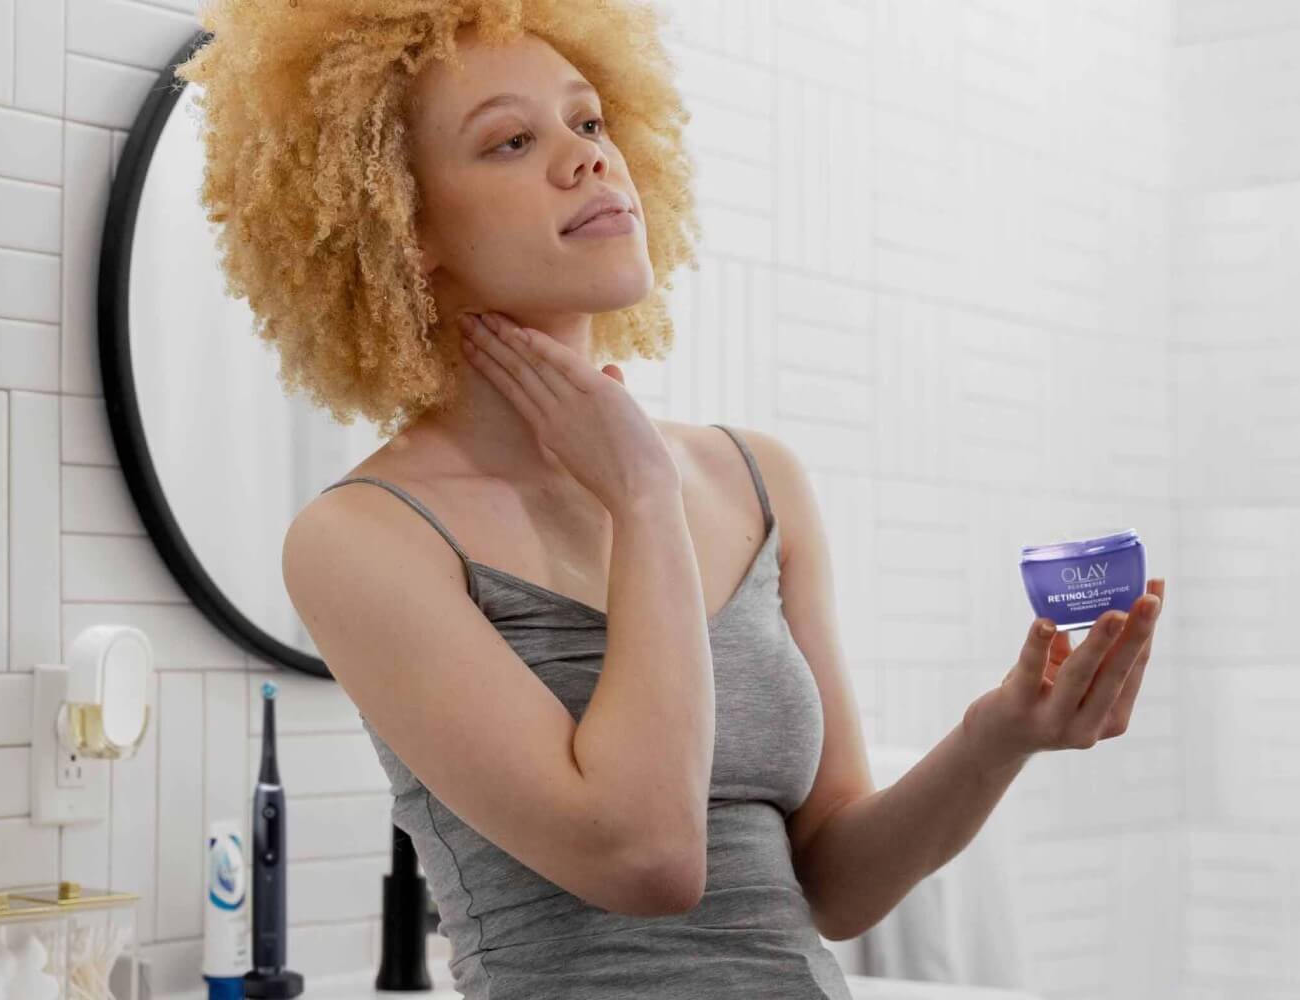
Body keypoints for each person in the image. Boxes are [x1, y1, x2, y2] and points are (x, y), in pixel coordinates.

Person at [193, 2, 1170, 996]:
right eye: (509, 141)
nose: (584, 160)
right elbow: (646, 860)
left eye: (587, 122)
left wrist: (997, 734)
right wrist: (643, 505)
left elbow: (830, 885)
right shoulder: (362, 538)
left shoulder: (756, 479)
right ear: (397, 222)